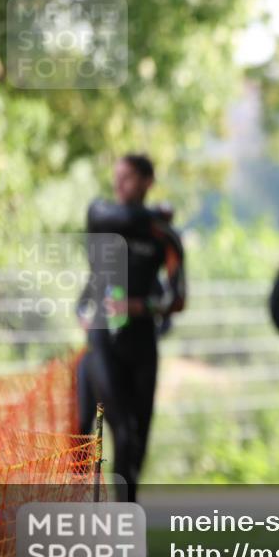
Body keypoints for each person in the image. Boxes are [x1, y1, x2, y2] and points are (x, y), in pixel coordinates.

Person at [77, 154, 186, 503]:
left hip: (142, 343)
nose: (118, 183)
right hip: (103, 340)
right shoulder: (104, 216)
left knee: (137, 439)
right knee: (119, 431)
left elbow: (178, 297)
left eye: (127, 177)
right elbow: (114, 214)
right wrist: (156, 213)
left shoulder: (165, 238)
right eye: (116, 176)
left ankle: (125, 519)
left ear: (147, 181)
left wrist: (142, 306)